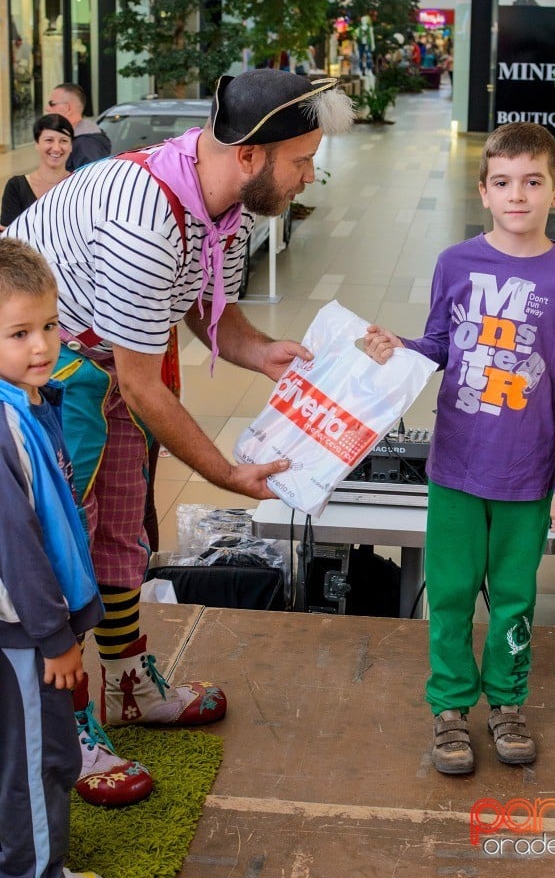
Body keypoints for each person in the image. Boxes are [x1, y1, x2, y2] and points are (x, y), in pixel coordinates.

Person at [5, 69, 354, 804]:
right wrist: (227, 473)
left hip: (106, 358)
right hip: (44, 366)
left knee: (125, 522)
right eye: (301, 160)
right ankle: (69, 726)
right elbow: (140, 384)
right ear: (252, 156)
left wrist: (262, 352)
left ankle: (127, 684)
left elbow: (205, 309)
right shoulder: (147, 217)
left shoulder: (225, 206)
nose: (309, 175)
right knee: (65, 538)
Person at [364, 123, 555, 775]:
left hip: (529, 477)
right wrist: (400, 348)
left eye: (532, 182)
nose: (517, 196)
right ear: (483, 191)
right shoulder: (456, 265)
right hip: (457, 469)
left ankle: (507, 704)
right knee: (450, 592)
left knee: (516, 598)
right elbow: (441, 344)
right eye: (503, 183)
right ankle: (448, 708)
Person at [0, 239, 104, 878]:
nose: (42, 346)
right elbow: (19, 548)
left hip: (29, 629)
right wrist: (53, 636)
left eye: (49, 325)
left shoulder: (30, 402)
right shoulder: (6, 424)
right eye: (19, 333)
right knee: (41, 760)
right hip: (25, 632)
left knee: (32, 751)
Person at [1, 114, 74, 231]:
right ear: (37, 144)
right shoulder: (17, 187)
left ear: (71, 146)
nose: (56, 148)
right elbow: (9, 241)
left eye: (63, 141)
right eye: (49, 140)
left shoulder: (81, 185)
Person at [46, 83, 111, 170]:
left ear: (67, 108)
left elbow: (90, 181)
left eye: (51, 103)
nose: (47, 108)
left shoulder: (86, 144)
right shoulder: (76, 139)